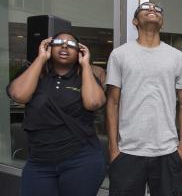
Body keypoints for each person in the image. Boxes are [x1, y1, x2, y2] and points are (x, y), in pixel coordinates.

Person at [106, 2, 182, 196]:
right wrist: (113, 148)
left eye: (158, 9)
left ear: (162, 23)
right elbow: (112, 102)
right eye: (146, 8)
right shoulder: (119, 55)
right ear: (135, 21)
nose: (153, 9)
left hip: (168, 151)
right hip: (127, 151)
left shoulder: (177, 57)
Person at [7, 32, 107, 196]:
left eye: (72, 44)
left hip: (80, 160)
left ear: (79, 51)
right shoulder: (35, 72)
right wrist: (41, 58)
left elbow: (93, 103)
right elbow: (19, 95)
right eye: (59, 42)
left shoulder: (84, 76)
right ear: (49, 47)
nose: (65, 46)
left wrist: (86, 65)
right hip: (39, 162)